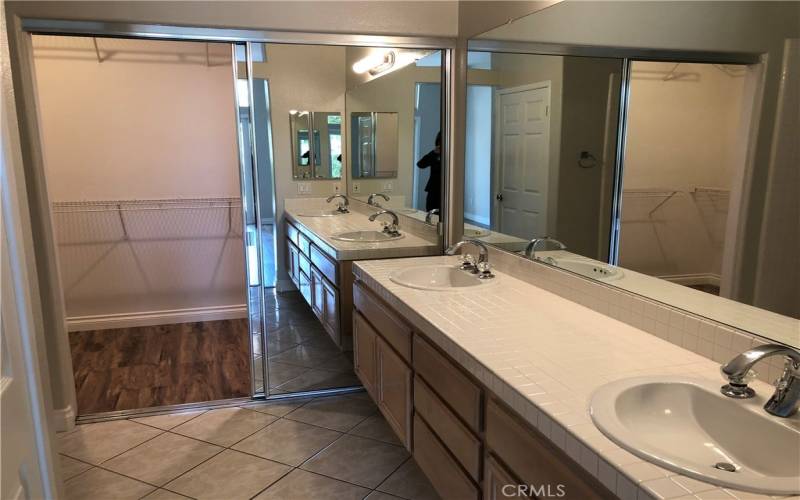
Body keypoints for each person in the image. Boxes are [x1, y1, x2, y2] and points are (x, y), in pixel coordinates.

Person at [416, 131, 441, 212]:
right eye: (439, 143)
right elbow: (420, 164)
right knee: (431, 214)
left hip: (448, 190)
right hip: (433, 191)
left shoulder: (453, 155)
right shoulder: (434, 154)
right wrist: (433, 153)